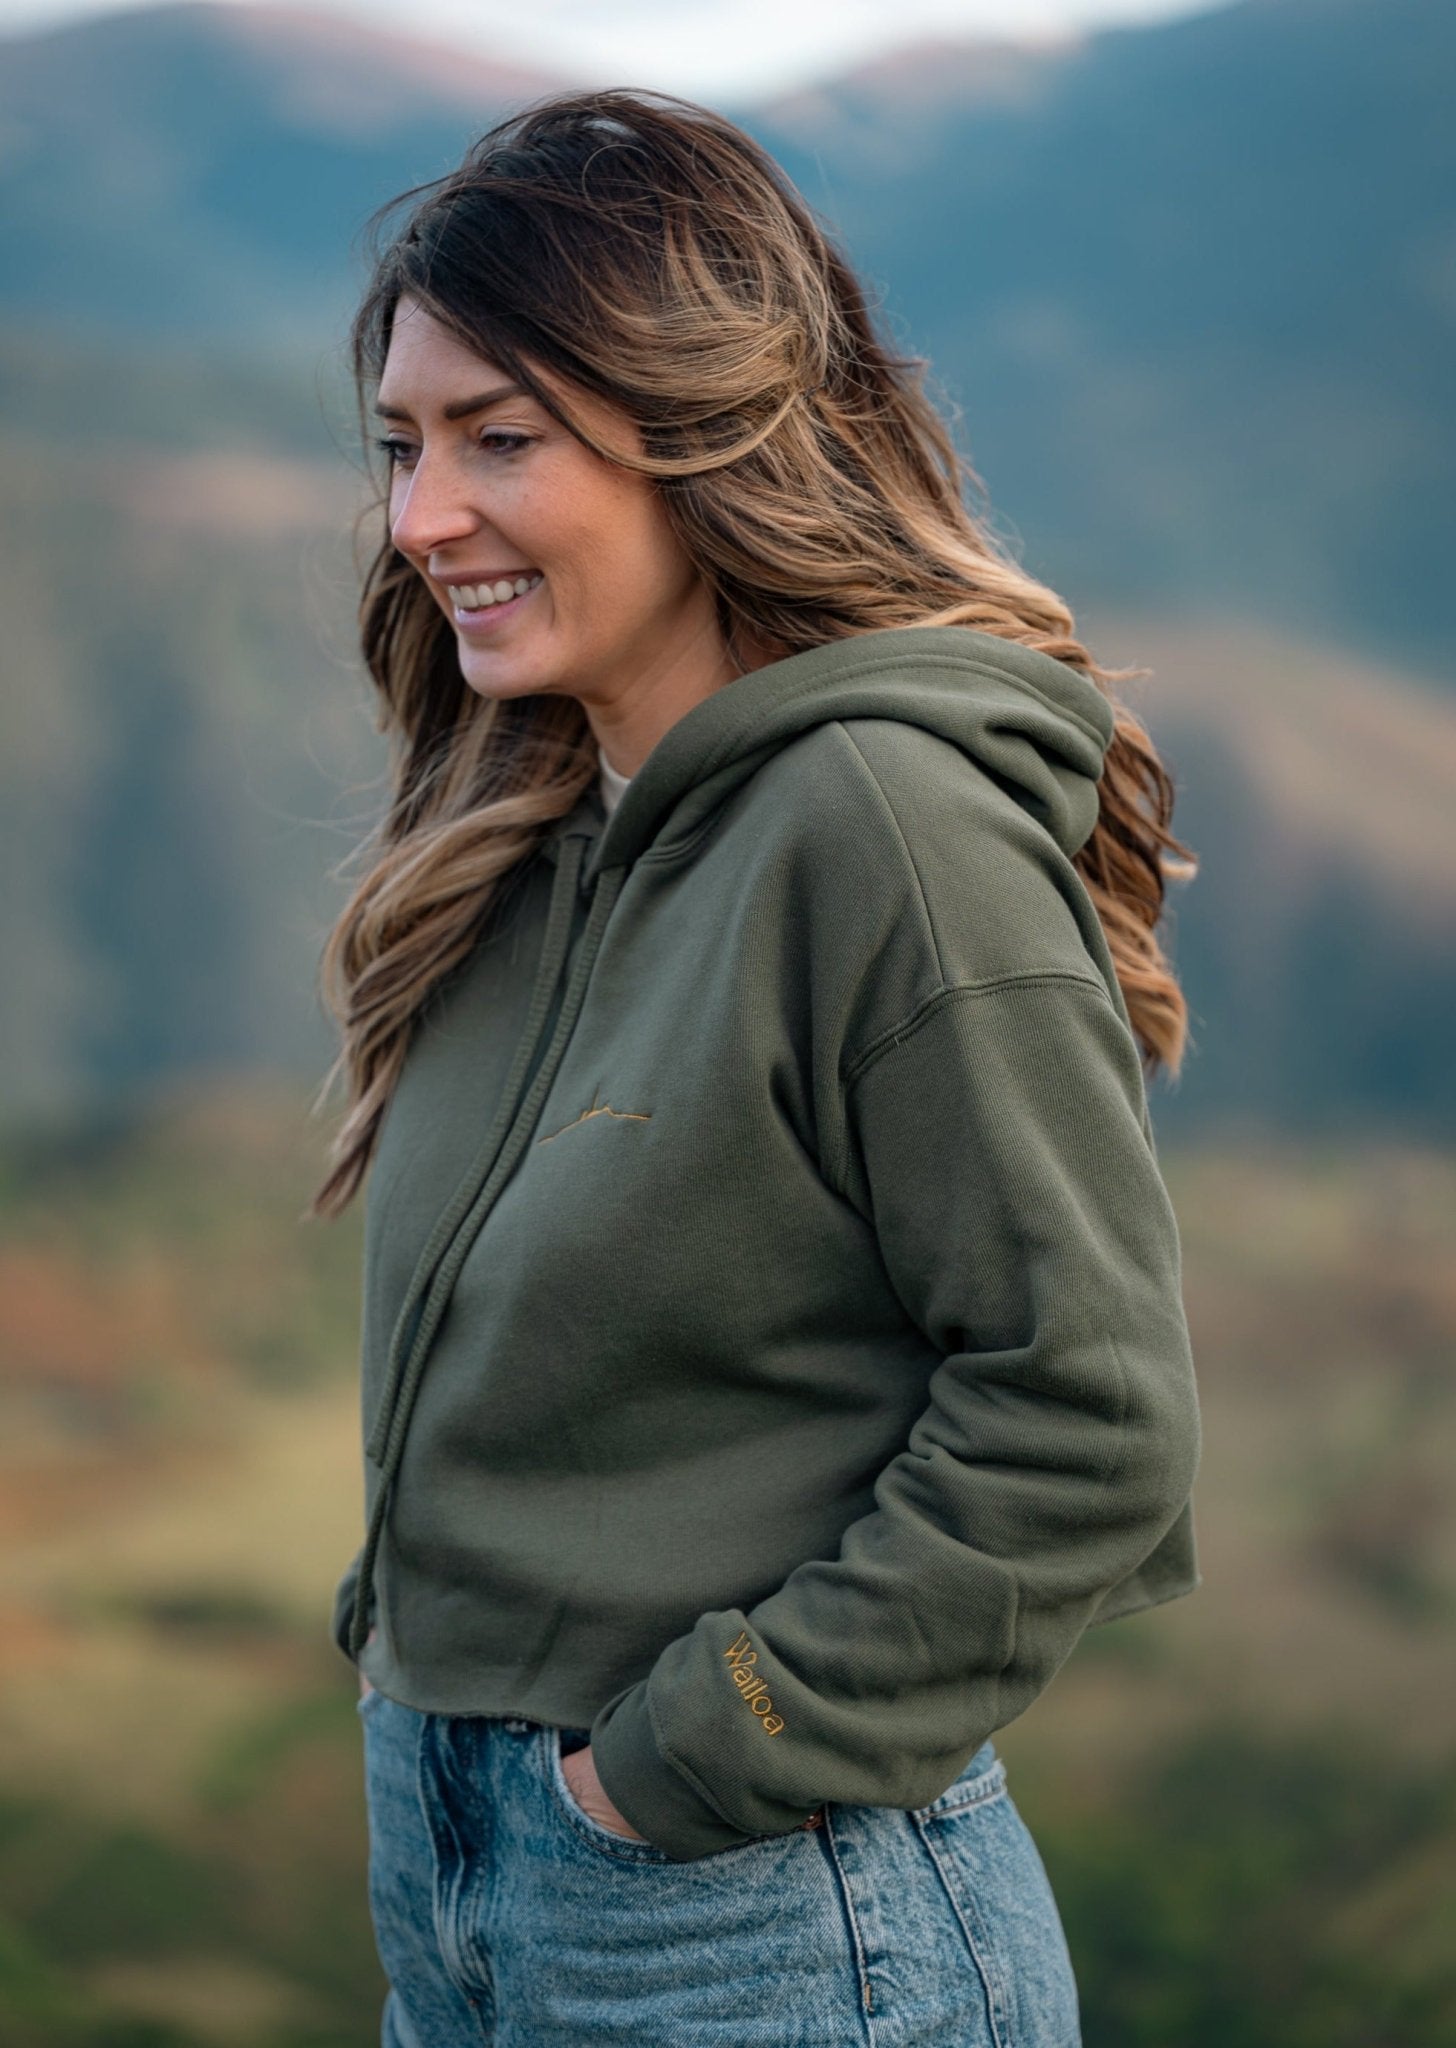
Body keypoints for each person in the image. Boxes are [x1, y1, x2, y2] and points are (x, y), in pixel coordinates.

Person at [311, 85, 1202, 2047]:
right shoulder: (535, 834)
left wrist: (683, 1761)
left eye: (497, 437)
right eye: (400, 446)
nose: (420, 515)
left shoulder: (880, 820)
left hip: (749, 1910)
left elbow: (1088, 1409)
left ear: (695, 428)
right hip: (462, 1870)